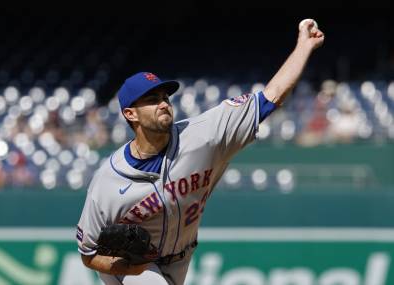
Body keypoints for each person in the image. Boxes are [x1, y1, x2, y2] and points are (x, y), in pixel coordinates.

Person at [76, 19, 324, 285]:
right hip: (134, 268)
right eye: (151, 100)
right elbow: (88, 255)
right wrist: (128, 268)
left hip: (182, 258)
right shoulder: (108, 182)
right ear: (130, 114)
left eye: (165, 97)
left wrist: (304, 46)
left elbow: (272, 96)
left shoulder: (204, 135)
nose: (163, 104)